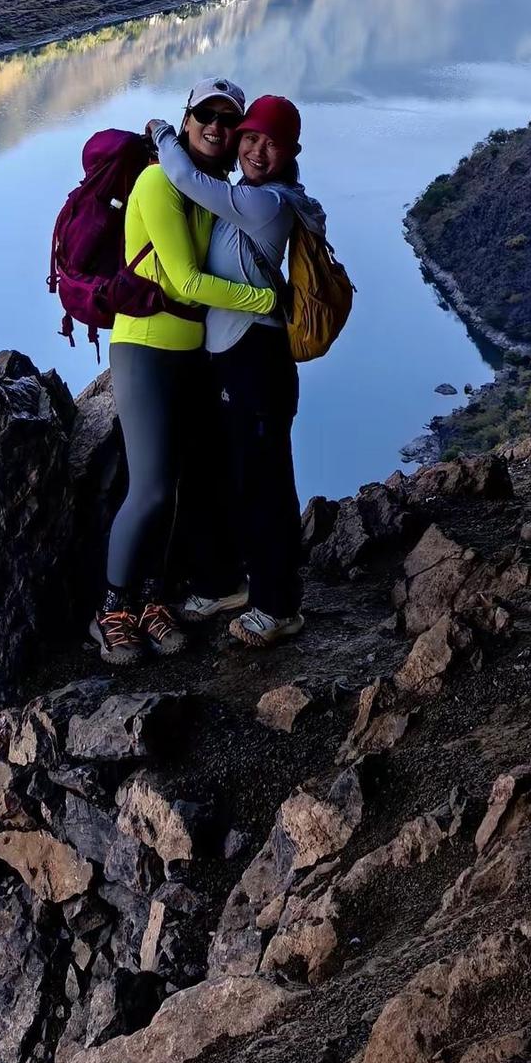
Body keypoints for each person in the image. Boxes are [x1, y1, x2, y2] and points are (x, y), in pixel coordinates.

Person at [92, 78, 277, 668]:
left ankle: (151, 597)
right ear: (188, 118)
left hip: (191, 353)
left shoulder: (207, 189)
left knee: (178, 483)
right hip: (145, 347)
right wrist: (268, 302)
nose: (217, 128)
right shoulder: (157, 182)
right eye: (205, 116)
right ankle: (111, 609)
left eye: (228, 120)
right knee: (147, 485)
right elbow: (186, 282)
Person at [149, 94, 323, 648]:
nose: (256, 150)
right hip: (227, 357)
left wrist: (163, 134)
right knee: (216, 472)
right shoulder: (246, 196)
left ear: (290, 152)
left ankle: (278, 604)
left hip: (258, 361)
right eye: (250, 137)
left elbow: (186, 179)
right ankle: (223, 582)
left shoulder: (269, 203)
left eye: (271, 143)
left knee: (264, 482)